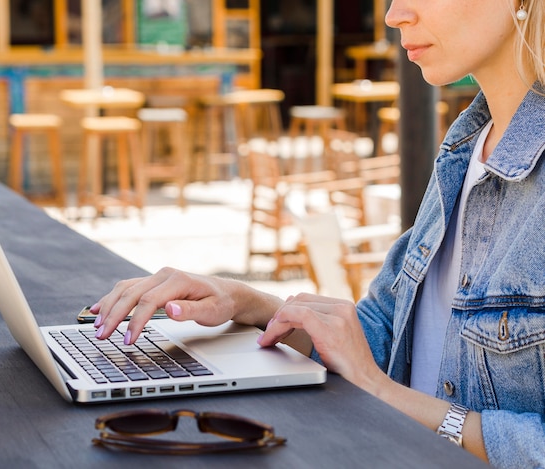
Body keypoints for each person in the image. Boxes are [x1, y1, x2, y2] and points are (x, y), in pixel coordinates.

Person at [90, 0, 545, 466]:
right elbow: (380, 340)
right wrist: (248, 305)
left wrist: (382, 392)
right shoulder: (467, 148)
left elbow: (375, 379)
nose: (394, 15)